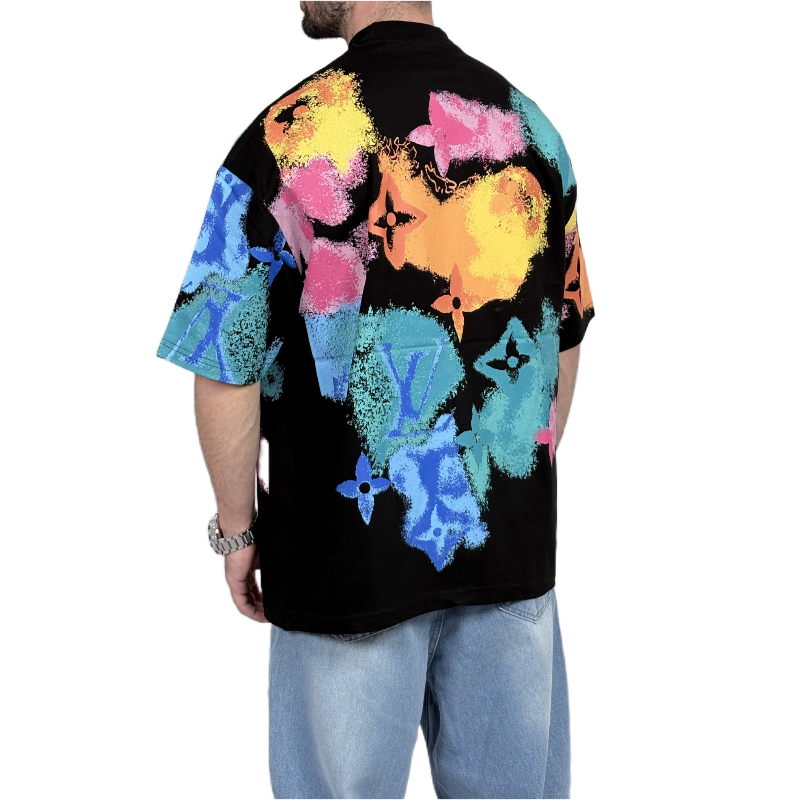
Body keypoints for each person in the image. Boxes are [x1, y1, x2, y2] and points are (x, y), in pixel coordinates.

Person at [155, 1, 594, 797]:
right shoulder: (533, 128)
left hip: (339, 571)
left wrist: (237, 532)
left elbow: (221, 366)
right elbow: (563, 335)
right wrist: (514, 484)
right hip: (510, 562)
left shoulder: (282, 138)